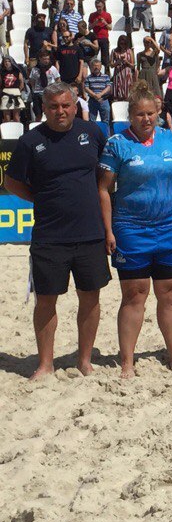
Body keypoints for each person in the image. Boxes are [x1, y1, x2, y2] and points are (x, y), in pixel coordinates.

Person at [4, 82, 109, 379]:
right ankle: (45, 363)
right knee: (46, 300)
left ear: (75, 106)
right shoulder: (30, 141)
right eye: (53, 106)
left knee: (90, 298)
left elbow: (104, 175)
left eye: (65, 105)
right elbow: (12, 183)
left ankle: (84, 360)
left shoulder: (93, 133)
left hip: (90, 232)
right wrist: (41, 197)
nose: (60, 111)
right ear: (44, 108)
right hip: (50, 236)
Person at [97, 82, 172, 378]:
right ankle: (127, 362)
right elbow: (103, 190)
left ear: (158, 112)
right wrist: (109, 231)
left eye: (150, 113)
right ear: (130, 115)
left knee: (170, 293)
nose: (146, 119)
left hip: (170, 227)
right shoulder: (116, 144)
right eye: (139, 114)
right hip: (131, 230)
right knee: (135, 294)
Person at [27, 50, 60, 121]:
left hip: (49, 93)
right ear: (40, 59)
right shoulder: (35, 69)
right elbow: (32, 81)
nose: (46, 61)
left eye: (48, 59)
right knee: (38, 114)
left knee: (50, 112)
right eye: (44, 59)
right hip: (38, 93)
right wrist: (35, 89)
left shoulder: (52, 68)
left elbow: (58, 79)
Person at [83, 58, 112, 126]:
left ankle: (106, 135)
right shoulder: (88, 77)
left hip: (104, 100)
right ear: (91, 67)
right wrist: (94, 95)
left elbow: (108, 87)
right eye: (94, 66)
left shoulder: (106, 77)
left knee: (105, 121)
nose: (96, 67)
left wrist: (101, 94)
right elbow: (86, 88)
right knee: (91, 121)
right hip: (93, 101)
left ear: (101, 66)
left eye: (98, 66)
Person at [88, 0, 112, 69]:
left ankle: (106, 71)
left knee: (105, 57)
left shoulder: (107, 15)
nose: (98, 8)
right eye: (97, 6)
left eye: (100, 6)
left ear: (103, 6)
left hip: (104, 38)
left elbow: (110, 28)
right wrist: (94, 23)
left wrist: (105, 22)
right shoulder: (92, 15)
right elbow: (89, 28)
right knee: (93, 56)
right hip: (95, 38)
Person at [0, 55, 24, 122]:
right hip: (5, 93)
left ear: (12, 62)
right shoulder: (1, 72)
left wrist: (18, 91)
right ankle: (7, 131)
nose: (7, 63)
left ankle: (17, 131)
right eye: (5, 61)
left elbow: (21, 82)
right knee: (6, 117)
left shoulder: (17, 71)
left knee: (16, 116)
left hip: (16, 92)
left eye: (8, 61)